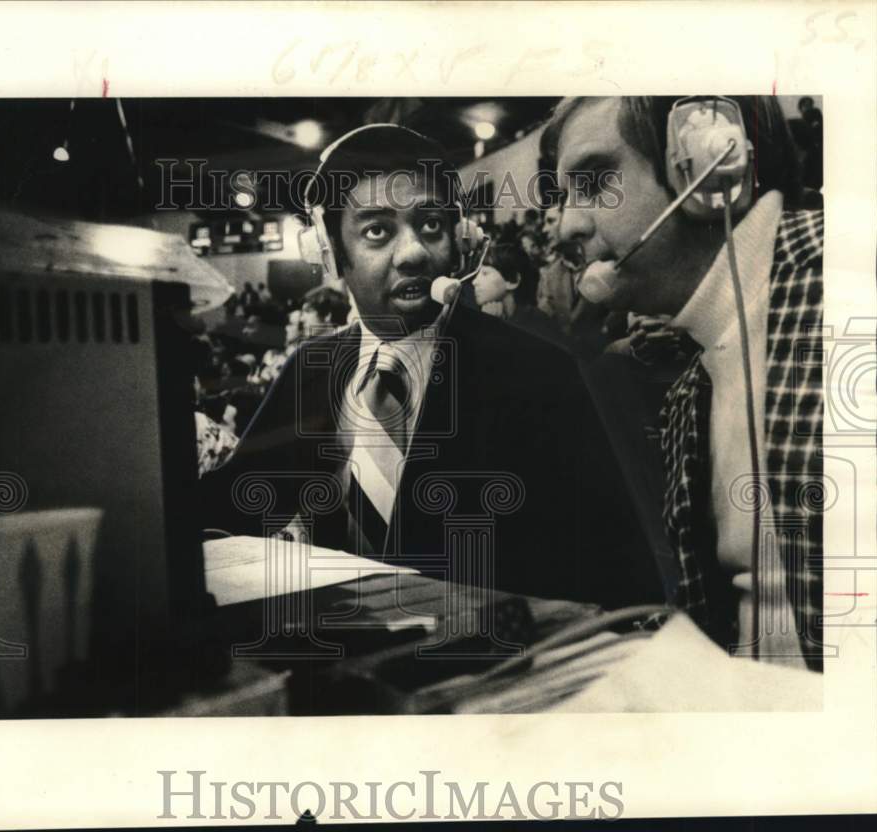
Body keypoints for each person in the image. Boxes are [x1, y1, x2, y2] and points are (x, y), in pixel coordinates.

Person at [201, 124, 660, 606]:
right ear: (331, 253)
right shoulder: (312, 369)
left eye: (431, 225)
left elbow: (618, 577)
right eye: (377, 231)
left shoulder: (537, 373)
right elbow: (229, 511)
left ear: (461, 239)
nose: (416, 252)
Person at [541, 95, 823, 672]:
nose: (568, 224)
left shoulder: (844, 291)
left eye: (596, 180)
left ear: (714, 161)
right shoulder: (694, 381)